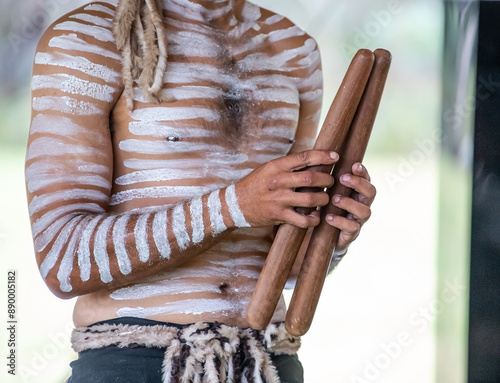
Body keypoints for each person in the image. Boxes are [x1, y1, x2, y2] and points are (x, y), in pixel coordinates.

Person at [25, 0, 376, 382]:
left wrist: (333, 235)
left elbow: (284, 262)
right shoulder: (87, 39)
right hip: (136, 361)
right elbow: (62, 260)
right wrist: (233, 206)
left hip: (268, 361)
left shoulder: (292, 48)